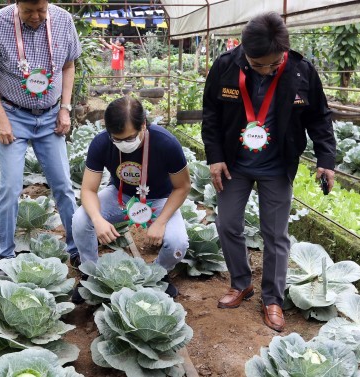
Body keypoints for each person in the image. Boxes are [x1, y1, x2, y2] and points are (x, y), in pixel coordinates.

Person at [201, 12, 335, 332]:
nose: (266, 69)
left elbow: (320, 117)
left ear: (283, 54)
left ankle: (272, 298)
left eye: (274, 64)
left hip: (277, 166)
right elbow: (211, 115)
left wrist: (326, 159)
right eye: (259, 64)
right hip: (235, 165)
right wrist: (215, 157)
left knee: (275, 235)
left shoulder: (301, 71)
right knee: (228, 223)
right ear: (245, 51)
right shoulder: (225, 66)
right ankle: (241, 282)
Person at [0, 0, 81, 269]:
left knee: (64, 187)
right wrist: (1, 118)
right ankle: (5, 254)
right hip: (13, 115)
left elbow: (68, 66)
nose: (35, 17)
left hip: (50, 117)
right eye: (28, 11)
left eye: (41, 10)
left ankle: (77, 248)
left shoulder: (63, 20)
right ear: (17, 4)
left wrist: (65, 108)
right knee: (10, 188)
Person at [71, 96, 191, 303]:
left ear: (143, 124)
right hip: (121, 196)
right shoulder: (101, 143)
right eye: (116, 139)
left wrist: (161, 222)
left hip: (160, 199)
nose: (123, 144)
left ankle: (158, 275)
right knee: (82, 220)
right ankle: (90, 274)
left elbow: (183, 186)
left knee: (177, 243)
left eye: (129, 138)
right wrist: (98, 220)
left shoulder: (166, 143)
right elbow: (88, 190)